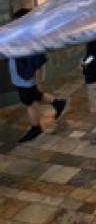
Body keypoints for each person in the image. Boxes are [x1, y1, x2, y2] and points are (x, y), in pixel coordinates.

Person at [7, 9, 68, 142]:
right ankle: (58, 103)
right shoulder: (23, 35)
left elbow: (37, 63)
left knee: (29, 102)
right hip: (22, 75)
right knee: (34, 95)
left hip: (26, 77)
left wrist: (39, 82)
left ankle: (36, 128)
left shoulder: (31, 38)